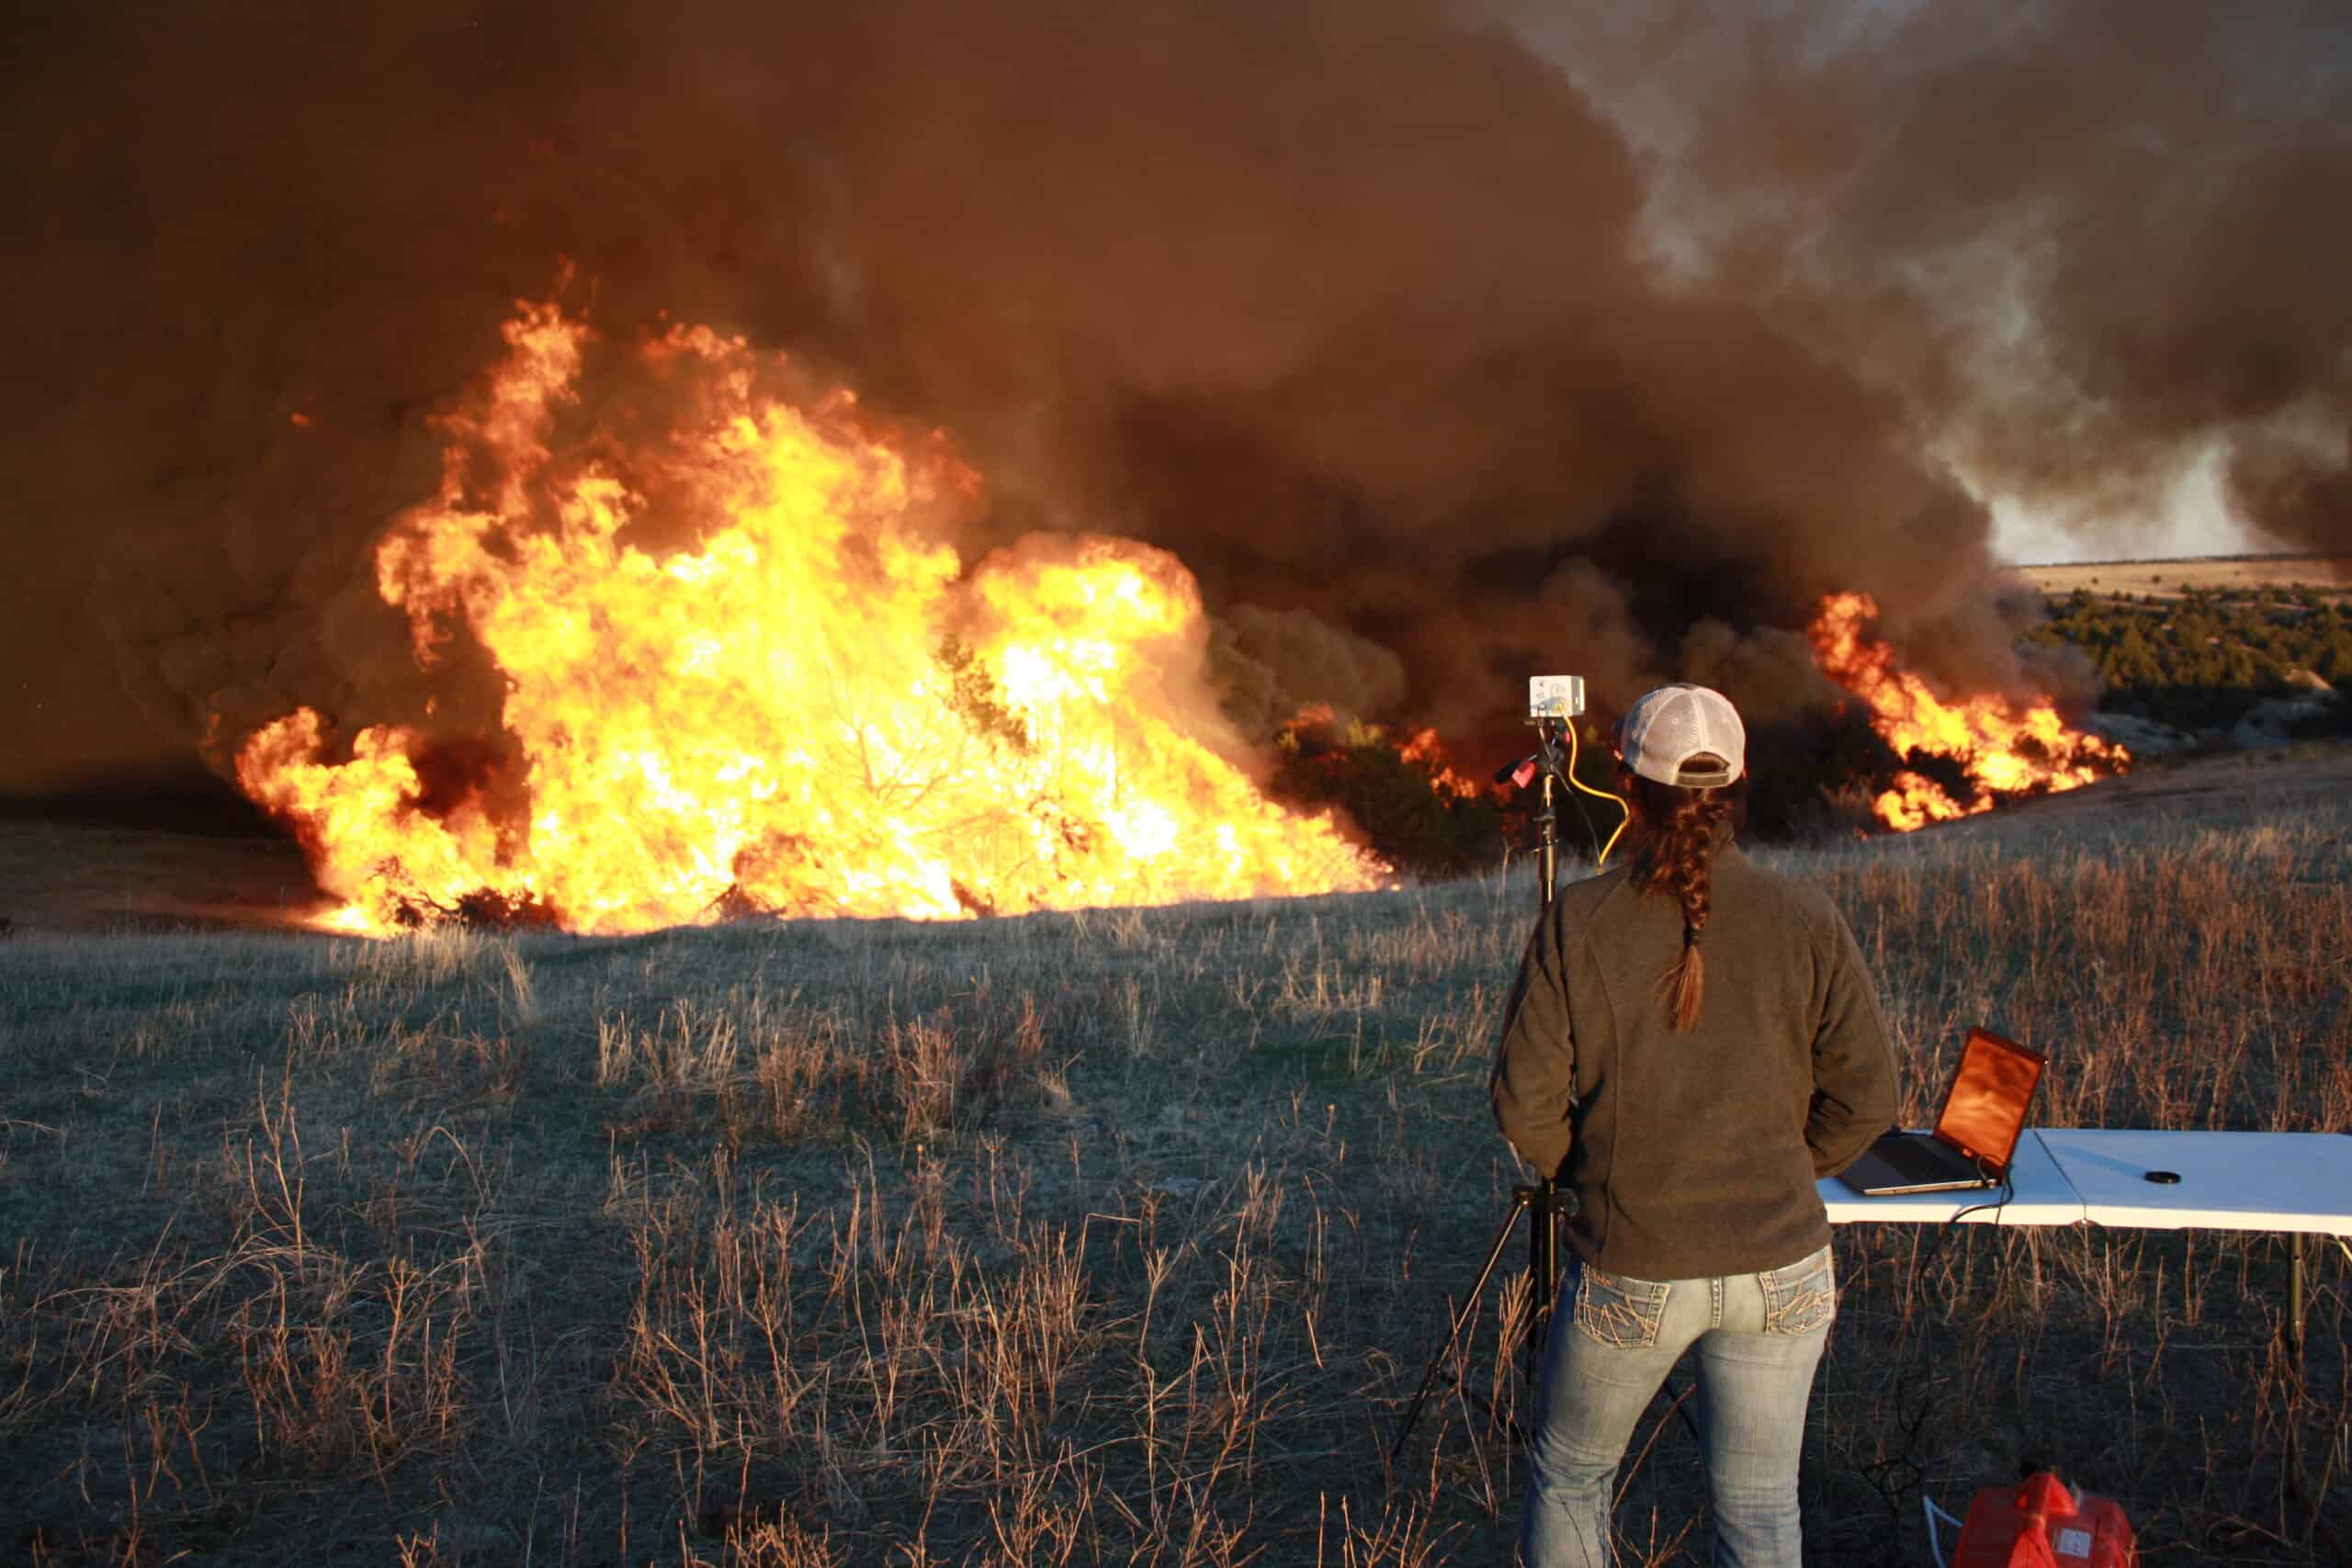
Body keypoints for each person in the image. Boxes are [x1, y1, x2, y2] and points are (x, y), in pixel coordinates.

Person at [1491, 682, 1897, 1568]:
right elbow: (1869, 1097)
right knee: (1759, 1510)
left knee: (1571, 1479)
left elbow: (1523, 1105)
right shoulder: (1808, 918)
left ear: (1628, 788)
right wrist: (1785, 1167)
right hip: (1785, 1270)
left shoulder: (1580, 922)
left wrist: (1600, 1174)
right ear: (1741, 784)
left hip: (1634, 1262)